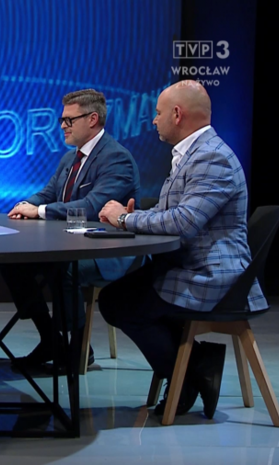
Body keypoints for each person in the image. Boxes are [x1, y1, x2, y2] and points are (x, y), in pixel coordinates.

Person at [98, 80, 267, 418]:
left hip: (212, 275)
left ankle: (189, 374)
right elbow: (171, 213)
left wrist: (125, 220)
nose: (153, 120)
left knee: (120, 303)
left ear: (177, 114)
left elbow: (184, 222)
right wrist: (136, 217)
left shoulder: (211, 157)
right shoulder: (192, 154)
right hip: (186, 265)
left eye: (158, 113)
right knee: (117, 298)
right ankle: (196, 363)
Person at [0, 89, 140, 371]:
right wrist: (25, 205)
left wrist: (39, 211)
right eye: (61, 120)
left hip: (109, 251)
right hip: (71, 244)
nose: (62, 126)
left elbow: (92, 207)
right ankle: (51, 339)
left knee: (65, 268)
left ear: (92, 119)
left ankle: (79, 348)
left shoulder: (116, 158)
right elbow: (48, 193)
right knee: (12, 262)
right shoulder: (69, 158)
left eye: (69, 120)